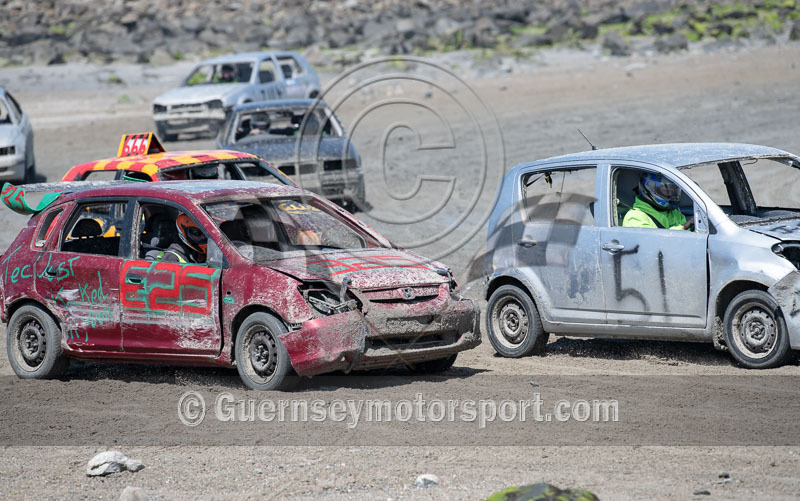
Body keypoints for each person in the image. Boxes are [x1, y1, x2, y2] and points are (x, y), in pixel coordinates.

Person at [622, 172, 693, 230]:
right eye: (666, 190)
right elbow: (653, 243)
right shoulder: (635, 218)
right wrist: (683, 227)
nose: (671, 193)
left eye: (673, 190)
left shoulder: (674, 213)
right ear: (652, 189)